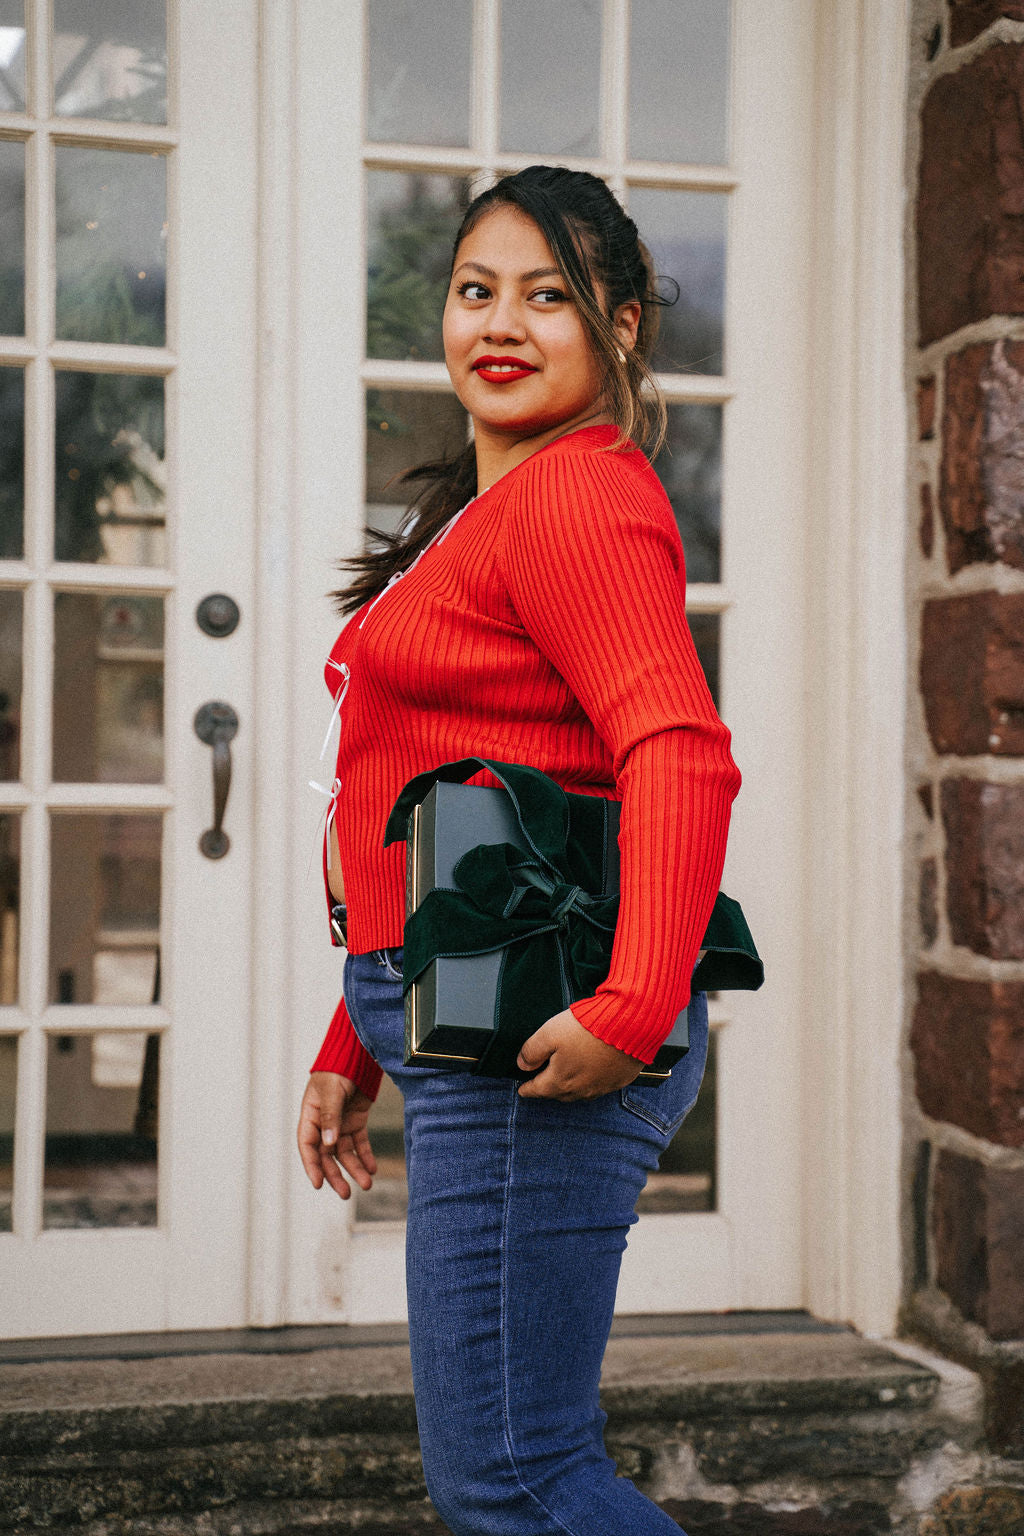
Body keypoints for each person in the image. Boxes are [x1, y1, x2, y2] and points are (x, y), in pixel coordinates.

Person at [297, 165, 741, 1536]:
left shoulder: (574, 505)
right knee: (508, 1467)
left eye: (547, 296)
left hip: (543, 1033)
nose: (501, 322)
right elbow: (469, 815)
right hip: (466, 1009)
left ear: (619, 326)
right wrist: (352, 1037)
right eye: (476, 290)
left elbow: (678, 751)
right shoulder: (484, 513)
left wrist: (633, 1002)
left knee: (519, 1475)